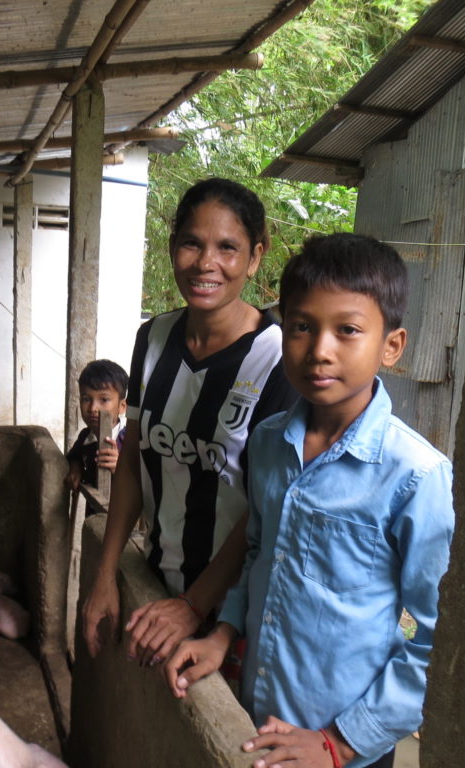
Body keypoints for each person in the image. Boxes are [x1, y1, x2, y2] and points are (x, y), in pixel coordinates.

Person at [164, 232, 455, 768]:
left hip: (343, 748)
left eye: (347, 330)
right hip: (257, 718)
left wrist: (338, 744)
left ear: (391, 345)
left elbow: (437, 639)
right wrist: (223, 635)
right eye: (301, 327)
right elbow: (258, 554)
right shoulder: (270, 441)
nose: (319, 350)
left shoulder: (414, 475)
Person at [81, 177, 297, 666]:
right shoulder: (153, 338)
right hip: (156, 581)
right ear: (172, 246)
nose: (206, 264)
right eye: (191, 244)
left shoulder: (277, 358)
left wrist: (194, 605)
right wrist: (104, 577)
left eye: (228, 248)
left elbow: (263, 507)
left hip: (234, 615)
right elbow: (134, 461)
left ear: (256, 257)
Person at [65, 359, 129, 493]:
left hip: (123, 511)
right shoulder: (85, 436)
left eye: (104, 400)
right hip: (93, 510)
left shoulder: (130, 439)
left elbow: (144, 480)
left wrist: (121, 469)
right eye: (86, 399)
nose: (93, 408)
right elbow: (74, 455)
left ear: (122, 406)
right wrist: (75, 467)